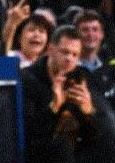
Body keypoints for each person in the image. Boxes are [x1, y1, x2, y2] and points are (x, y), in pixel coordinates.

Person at [21, 24, 115, 161]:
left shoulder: (83, 79)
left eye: (75, 55)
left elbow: (104, 135)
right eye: (65, 52)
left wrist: (89, 111)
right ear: (50, 49)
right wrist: (54, 106)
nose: (69, 59)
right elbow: (28, 134)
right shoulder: (27, 79)